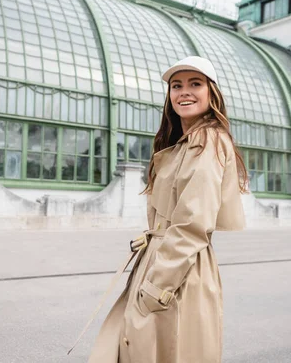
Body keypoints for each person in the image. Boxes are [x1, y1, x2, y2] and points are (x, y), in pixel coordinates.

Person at [88, 56, 247, 362]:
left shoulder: (208, 141)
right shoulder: (182, 144)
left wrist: (157, 285)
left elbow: (193, 223)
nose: (184, 92)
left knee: (163, 351)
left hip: (178, 271)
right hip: (163, 262)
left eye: (195, 84)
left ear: (211, 93)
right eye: (177, 85)